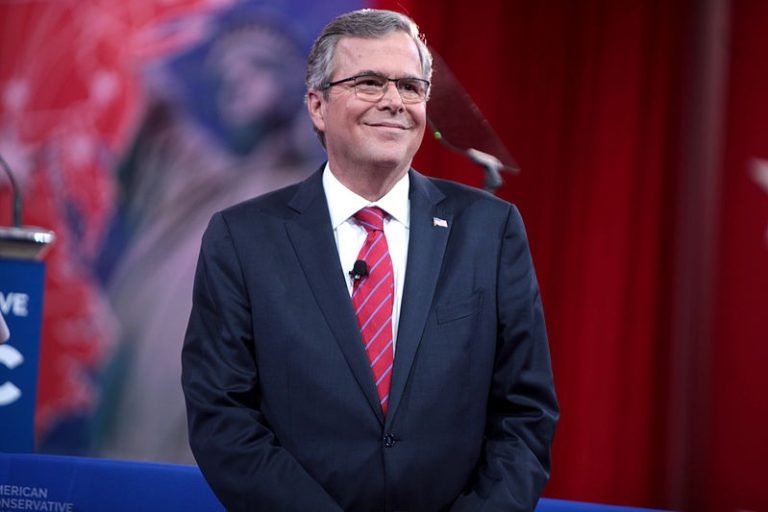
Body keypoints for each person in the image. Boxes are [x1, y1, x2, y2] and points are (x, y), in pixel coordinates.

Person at [181, 8, 558, 512]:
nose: (394, 101)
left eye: (410, 86)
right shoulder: (242, 238)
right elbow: (222, 416)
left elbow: (525, 414)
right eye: (369, 82)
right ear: (317, 105)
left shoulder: (490, 230)